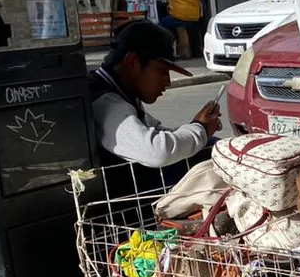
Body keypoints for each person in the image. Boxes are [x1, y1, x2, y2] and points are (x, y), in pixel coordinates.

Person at [89, 21, 221, 181]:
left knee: (211, 146)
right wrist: (200, 129)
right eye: (162, 71)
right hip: (128, 193)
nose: (168, 81)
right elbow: (157, 152)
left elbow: (156, 131)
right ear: (132, 62)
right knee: (211, 156)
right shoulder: (106, 101)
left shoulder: (120, 90)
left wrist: (199, 126)